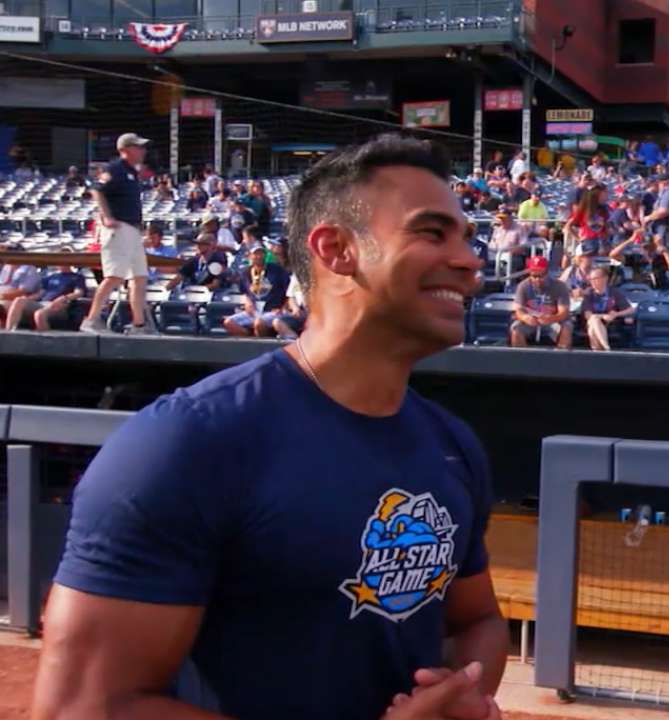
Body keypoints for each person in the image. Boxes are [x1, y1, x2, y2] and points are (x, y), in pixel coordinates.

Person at [34, 134, 506, 720]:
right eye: (432, 233)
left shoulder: (452, 445)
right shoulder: (188, 444)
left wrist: (463, 691)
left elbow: (476, 620)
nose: (469, 261)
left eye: (467, 237)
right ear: (336, 249)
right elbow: (83, 709)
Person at [80, 133, 155, 335]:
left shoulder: (132, 172)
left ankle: (139, 324)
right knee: (114, 276)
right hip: (118, 229)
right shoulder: (115, 168)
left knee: (139, 277)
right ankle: (91, 319)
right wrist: (106, 216)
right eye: (138, 147)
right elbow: (97, 190)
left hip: (132, 230)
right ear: (125, 149)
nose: (143, 151)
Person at [223, 244, 290, 337]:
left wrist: (283, 308)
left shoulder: (277, 270)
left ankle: (262, 345)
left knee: (259, 323)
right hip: (253, 311)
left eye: (261, 254)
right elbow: (245, 292)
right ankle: (250, 341)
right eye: (255, 254)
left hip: (272, 310)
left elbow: (289, 292)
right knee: (229, 323)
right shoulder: (245, 273)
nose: (258, 256)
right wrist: (247, 302)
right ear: (249, 256)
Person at [4, 260, 86, 331]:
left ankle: (44, 341)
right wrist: (27, 298)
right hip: (43, 302)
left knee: (39, 314)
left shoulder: (77, 277)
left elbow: (79, 293)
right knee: (19, 300)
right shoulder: (51, 277)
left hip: (62, 305)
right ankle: (9, 332)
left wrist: (64, 298)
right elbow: (41, 293)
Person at [510, 255, 571, 349]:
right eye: (534, 276)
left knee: (567, 327)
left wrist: (551, 318)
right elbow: (518, 310)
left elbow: (564, 312)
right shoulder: (523, 286)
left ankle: (560, 359)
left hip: (552, 321)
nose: (537, 279)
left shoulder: (559, 286)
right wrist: (525, 317)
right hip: (531, 321)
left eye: (541, 276)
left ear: (547, 273)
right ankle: (521, 360)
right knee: (516, 328)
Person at [581, 266, 634, 351]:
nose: (592, 282)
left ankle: (598, 353)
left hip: (610, 324)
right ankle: (606, 348)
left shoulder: (614, 292)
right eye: (591, 279)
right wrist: (603, 316)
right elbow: (588, 315)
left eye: (595, 279)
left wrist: (616, 314)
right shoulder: (589, 294)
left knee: (592, 329)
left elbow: (630, 309)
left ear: (605, 279)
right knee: (594, 320)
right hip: (591, 321)